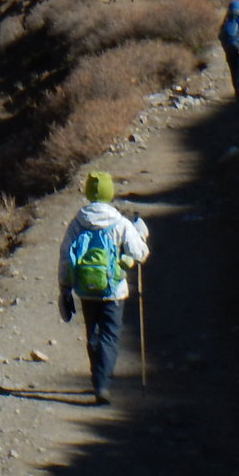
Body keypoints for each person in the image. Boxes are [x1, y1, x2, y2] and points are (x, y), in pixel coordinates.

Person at [58, 170, 150, 403]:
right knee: (110, 335)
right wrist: (140, 235)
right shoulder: (120, 223)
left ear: (88, 192)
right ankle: (103, 383)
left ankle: (97, 379)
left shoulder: (78, 222)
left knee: (93, 334)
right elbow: (140, 253)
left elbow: (66, 256)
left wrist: (65, 287)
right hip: (114, 290)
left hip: (85, 289)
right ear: (110, 193)